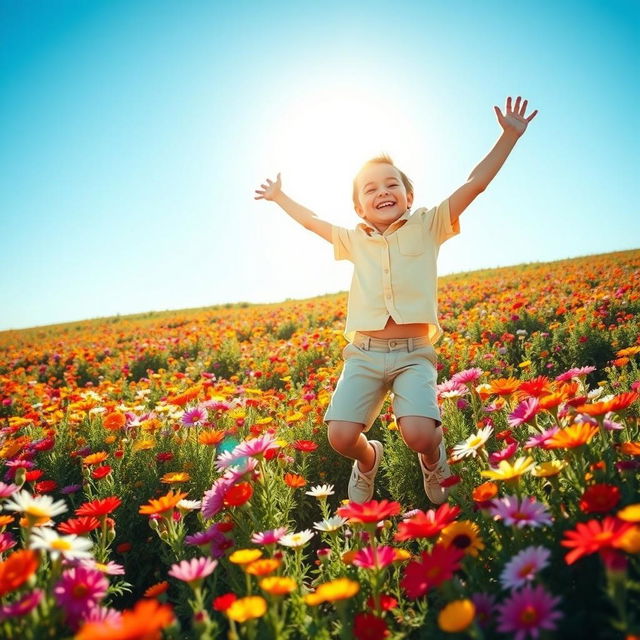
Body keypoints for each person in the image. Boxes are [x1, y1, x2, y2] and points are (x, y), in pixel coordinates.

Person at [255, 96, 538, 504]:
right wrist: (282, 198)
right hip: (365, 354)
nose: (382, 192)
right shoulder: (353, 239)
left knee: (420, 433)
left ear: (408, 195)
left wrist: (508, 137)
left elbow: (475, 183)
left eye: (392, 185)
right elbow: (312, 222)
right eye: (370, 189)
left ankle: (433, 457)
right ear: (358, 206)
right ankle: (369, 459)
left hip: (413, 353)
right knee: (340, 436)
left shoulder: (429, 225)